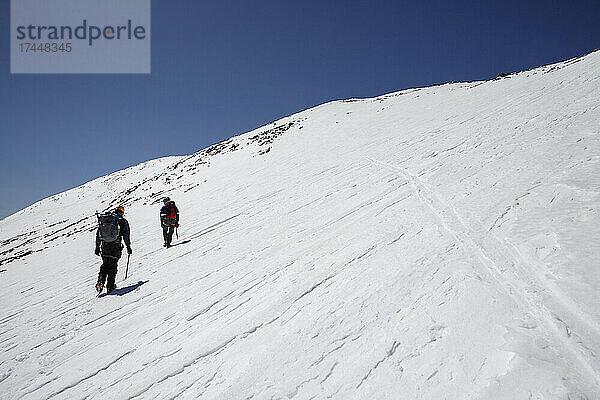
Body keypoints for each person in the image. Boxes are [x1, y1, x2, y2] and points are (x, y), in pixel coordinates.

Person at [95, 205, 131, 293]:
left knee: (105, 265)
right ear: (122, 212)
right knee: (112, 266)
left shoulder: (106, 220)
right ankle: (110, 286)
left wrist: (97, 247)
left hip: (105, 245)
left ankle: (100, 281)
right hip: (115, 246)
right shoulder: (122, 221)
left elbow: (98, 234)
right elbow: (126, 235)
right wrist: (128, 247)